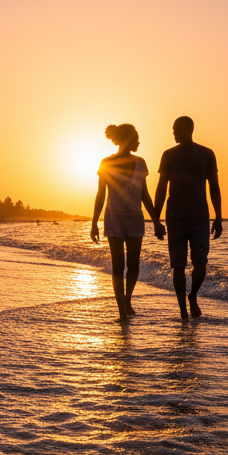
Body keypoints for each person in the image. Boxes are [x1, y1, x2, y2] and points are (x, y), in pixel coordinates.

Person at [91, 123, 165, 322]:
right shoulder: (106, 162)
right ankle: (121, 311)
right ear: (126, 139)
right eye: (135, 138)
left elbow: (144, 195)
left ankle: (127, 300)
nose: (138, 142)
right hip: (113, 216)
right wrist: (93, 223)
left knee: (133, 265)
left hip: (135, 217)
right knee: (117, 265)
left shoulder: (141, 163)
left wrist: (156, 222)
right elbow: (100, 195)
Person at [153, 115, 222, 320]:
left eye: (178, 130)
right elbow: (161, 187)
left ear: (190, 129)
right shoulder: (168, 155)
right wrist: (156, 220)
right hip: (175, 218)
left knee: (200, 263)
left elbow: (214, 186)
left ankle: (193, 296)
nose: (174, 133)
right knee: (178, 266)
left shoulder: (207, 154)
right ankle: (182, 309)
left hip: (200, 217)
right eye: (173, 130)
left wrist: (219, 216)